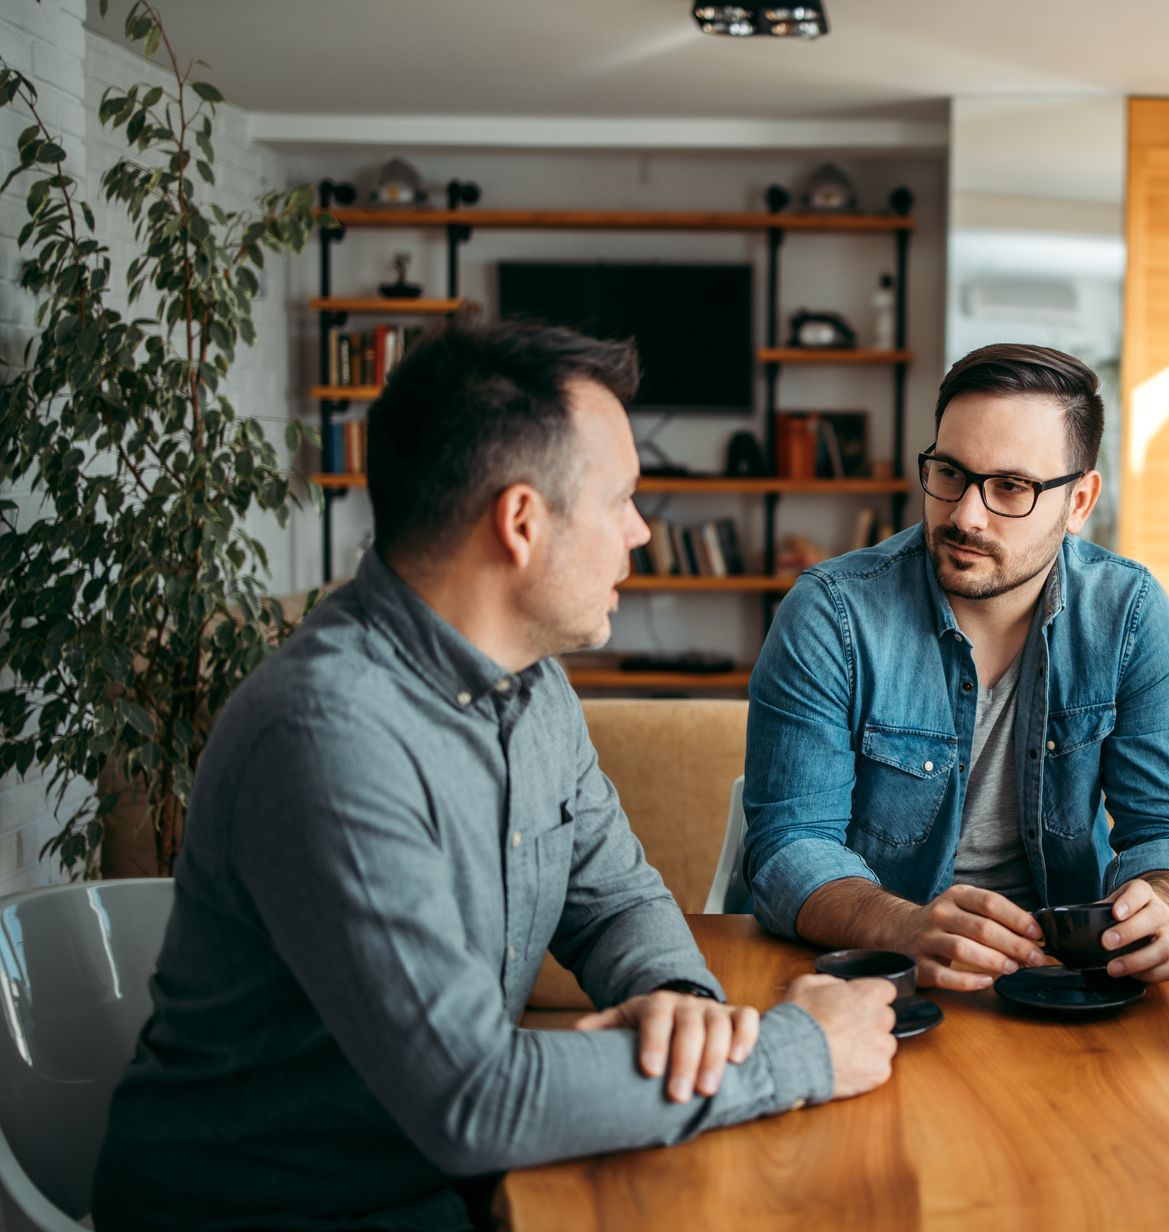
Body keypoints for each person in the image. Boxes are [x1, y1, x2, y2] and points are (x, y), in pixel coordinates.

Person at [94, 318, 899, 1231]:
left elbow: (616, 899)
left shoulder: (534, 687)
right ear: (520, 522)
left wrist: (681, 1009)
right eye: (623, 500)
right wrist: (797, 1054)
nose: (640, 533)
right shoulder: (324, 739)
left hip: (455, 1191)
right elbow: (475, 1100)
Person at [743, 343, 1169, 990]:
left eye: (1011, 487)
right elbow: (786, 851)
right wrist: (906, 929)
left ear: (1079, 501)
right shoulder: (831, 615)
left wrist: (1164, 903)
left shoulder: (1128, 614)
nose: (965, 515)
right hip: (878, 979)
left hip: (1065, 979)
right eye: (948, 473)